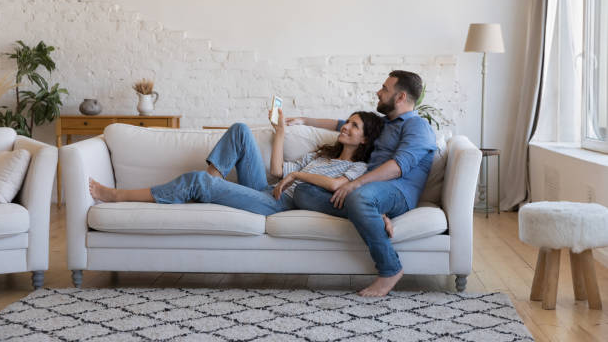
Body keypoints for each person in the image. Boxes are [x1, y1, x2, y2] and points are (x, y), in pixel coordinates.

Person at [287, 70, 436, 297]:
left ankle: (390, 269)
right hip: (371, 191)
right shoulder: (385, 124)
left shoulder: (417, 126)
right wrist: (304, 120)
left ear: (400, 97)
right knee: (304, 191)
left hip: (399, 190)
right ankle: (373, 215)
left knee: (359, 197)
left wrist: (355, 184)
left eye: (385, 89)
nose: (379, 92)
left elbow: (399, 166)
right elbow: (341, 124)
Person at [89, 110, 385, 219]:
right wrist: (280, 133)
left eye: (354, 126)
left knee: (197, 182)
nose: (346, 127)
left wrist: (298, 175)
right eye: (348, 123)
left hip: (283, 204)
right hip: (269, 189)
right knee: (240, 129)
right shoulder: (322, 154)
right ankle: (209, 183)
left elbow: (335, 186)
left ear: (364, 140)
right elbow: (276, 173)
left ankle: (116, 195)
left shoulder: (359, 169)